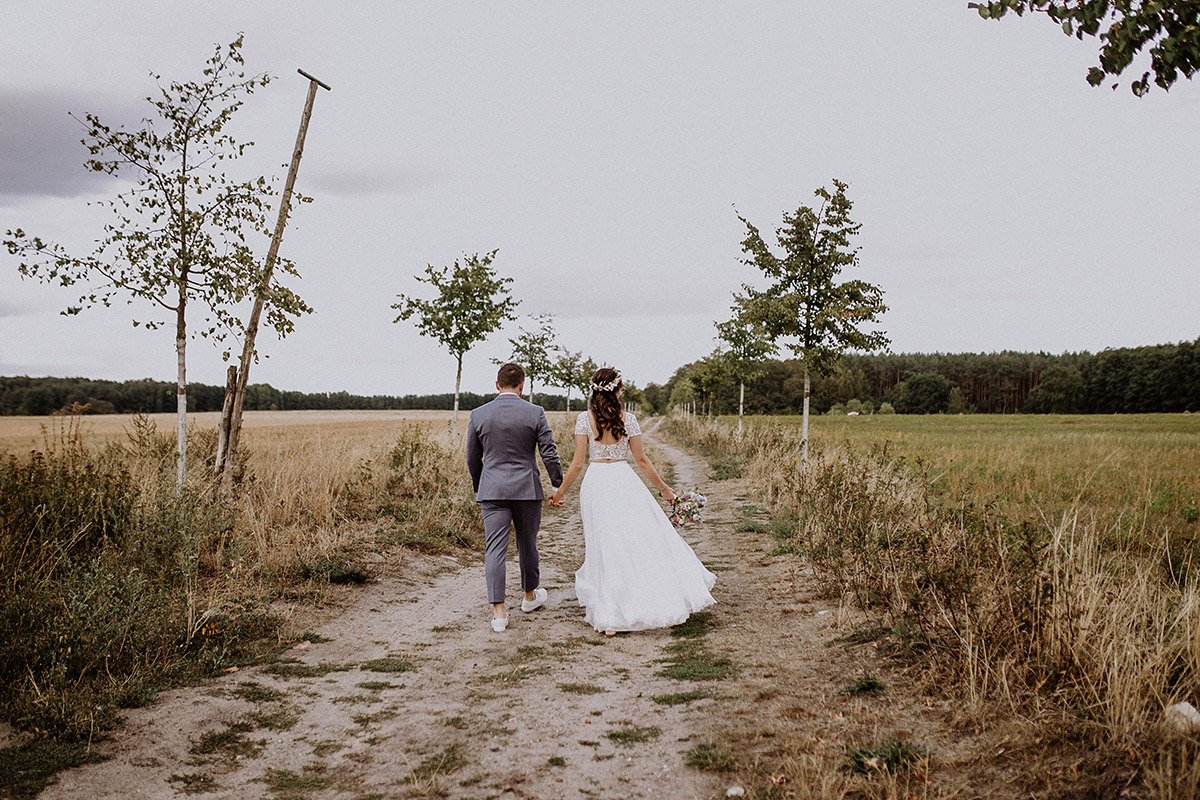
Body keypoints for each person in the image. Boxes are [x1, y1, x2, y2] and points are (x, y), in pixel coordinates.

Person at [549, 367, 715, 635]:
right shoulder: (630, 419)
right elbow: (641, 460)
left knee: (603, 544)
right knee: (631, 540)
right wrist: (664, 489)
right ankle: (625, 605)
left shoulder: (584, 419)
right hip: (624, 480)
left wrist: (559, 493)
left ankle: (610, 616)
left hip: (597, 482)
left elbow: (578, 463)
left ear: (594, 390)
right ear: (617, 390)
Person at [466, 363, 563, 633]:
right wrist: (558, 483)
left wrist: (480, 485)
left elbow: (472, 457)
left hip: (492, 490)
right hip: (527, 489)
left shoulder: (478, 414)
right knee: (527, 543)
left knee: (494, 548)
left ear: (497, 385)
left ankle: (498, 613)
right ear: (522, 385)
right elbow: (548, 451)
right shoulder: (535, 412)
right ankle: (529, 597)